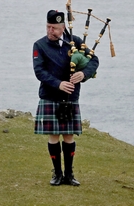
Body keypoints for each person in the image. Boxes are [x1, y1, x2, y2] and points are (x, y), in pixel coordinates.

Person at [32, 10, 99, 186]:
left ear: (63, 28)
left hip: (70, 98)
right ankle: (57, 174)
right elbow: (39, 71)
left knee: (69, 136)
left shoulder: (76, 43)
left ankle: (69, 175)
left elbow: (94, 60)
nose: (50, 31)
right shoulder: (39, 45)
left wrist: (84, 74)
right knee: (54, 136)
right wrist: (58, 83)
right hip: (50, 96)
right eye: (48, 26)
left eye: (54, 28)